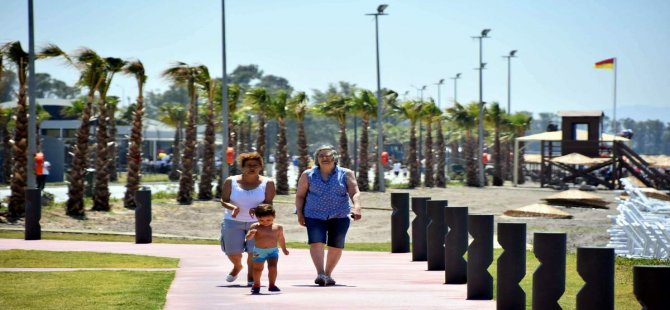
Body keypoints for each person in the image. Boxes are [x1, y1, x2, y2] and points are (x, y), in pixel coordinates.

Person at [295, 145, 362, 286]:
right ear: (316, 159)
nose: (325, 158)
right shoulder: (308, 174)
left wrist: (357, 207)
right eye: (321, 156)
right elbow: (300, 196)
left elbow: (354, 191)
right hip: (314, 214)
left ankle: (328, 274)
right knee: (316, 242)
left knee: (336, 245)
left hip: (340, 214)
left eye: (328, 156)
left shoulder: (346, 173)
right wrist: (299, 213)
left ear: (335, 158)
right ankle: (320, 273)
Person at [220, 152, 276, 286]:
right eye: (249, 165)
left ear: (260, 167)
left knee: (253, 252)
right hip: (233, 221)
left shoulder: (268, 183)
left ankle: (251, 277)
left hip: (257, 223)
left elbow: (269, 203)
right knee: (233, 252)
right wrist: (232, 207)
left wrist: (258, 209)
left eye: (255, 166)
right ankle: (237, 266)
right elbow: (224, 200)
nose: (252, 168)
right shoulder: (231, 181)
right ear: (242, 167)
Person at [245, 204, 289, 294]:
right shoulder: (255, 226)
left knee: (273, 267)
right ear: (257, 218)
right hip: (258, 251)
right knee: (257, 269)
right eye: (261, 220)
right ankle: (256, 284)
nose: (265, 222)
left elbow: (281, 238)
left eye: (268, 220)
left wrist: (284, 249)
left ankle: (272, 285)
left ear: (274, 216)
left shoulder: (278, 227)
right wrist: (251, 234)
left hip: (272, 251)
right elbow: (248, 238)